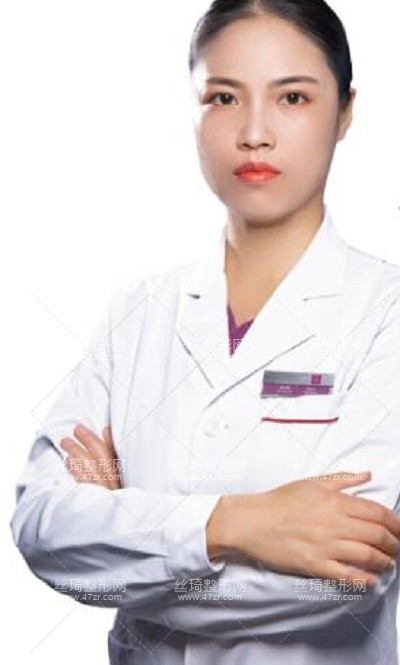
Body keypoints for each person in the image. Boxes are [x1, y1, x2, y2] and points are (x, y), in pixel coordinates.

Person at [10, 0, 400, 663]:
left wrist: (125, 537)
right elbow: (43, 529)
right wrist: (234, 523)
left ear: (345, 111)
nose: (254, 133)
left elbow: (345, 575)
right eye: (223, 97)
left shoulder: (386, 312)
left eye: (292, 97)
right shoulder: (138, 310)